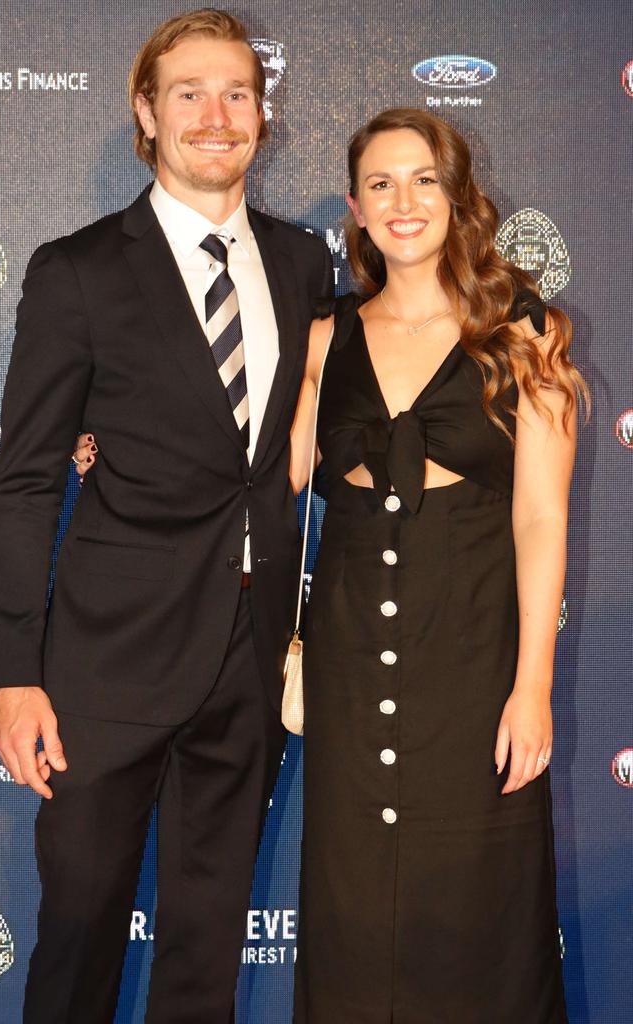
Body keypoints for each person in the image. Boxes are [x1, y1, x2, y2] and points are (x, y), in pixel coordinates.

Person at [0, 9, 331, 1024]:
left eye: (237, 94)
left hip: (248, 654)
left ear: (261, 115)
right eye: (189, 93)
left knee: (204, 946)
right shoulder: (78, 271)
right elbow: (23, 481)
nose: (216, 116)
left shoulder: (302, 263)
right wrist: (12, 672)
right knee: (83, 933)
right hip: (105, 665)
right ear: (147, 111)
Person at [288, 109, 587, 1023]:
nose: (403, 201)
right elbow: (268, 485)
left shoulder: (524, 334)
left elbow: (540, 517)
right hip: (345, 667)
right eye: (381, 183)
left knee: (476, 923)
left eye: (424, 180)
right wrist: (100, 445)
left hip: (470, 668)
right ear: (356, 209)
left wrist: (530, 684)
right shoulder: (322, 339)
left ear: (459, 198)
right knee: (349, 923)